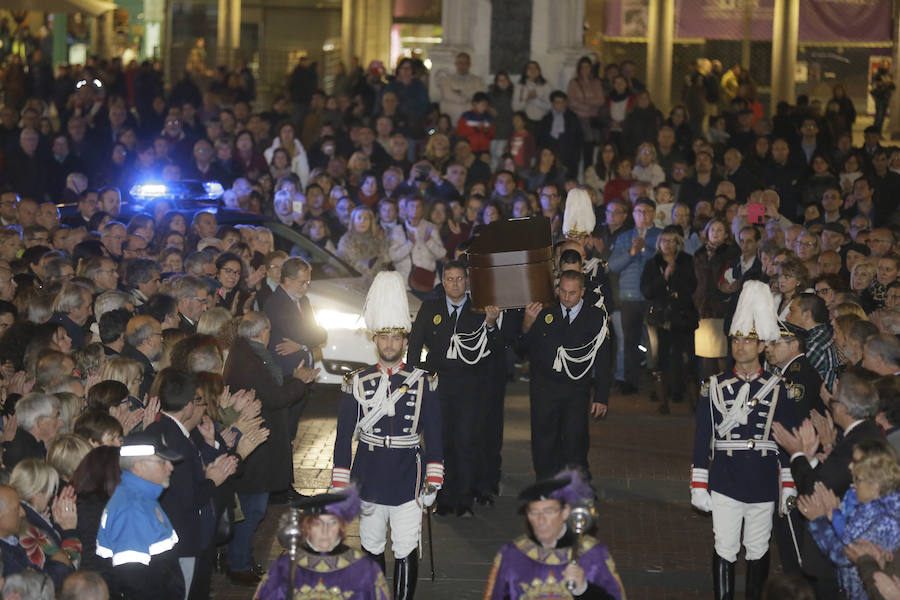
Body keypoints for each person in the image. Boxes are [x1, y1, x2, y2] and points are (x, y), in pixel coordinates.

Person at [331, 271, 443, 600]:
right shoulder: (357, 381)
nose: (389, 344)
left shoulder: (424, 380)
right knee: (372, 545)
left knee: (407, 546)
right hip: (368, 474)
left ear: (406, 341)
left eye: (395, 338)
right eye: (383, 337)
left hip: (409, 475)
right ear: (375, 340)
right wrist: (341, 483)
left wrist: (434, 477)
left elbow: (434, 435)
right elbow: (342, 439)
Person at [690, 282, 799, 600]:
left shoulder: (779, 388)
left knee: (758, 547)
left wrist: (787, 484)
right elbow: (702, 437)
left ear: (763, 346)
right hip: (726, 476)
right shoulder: (714, 386)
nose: (740, 347)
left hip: (763, 479)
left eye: (748, 340)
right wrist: (699, 482)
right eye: (736, 339)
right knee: (724, 546)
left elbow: (785, 441)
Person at [407, 261, 500, 517]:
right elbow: (414, 347)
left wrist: (491, 324)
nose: (455, 283)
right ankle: (443, 498)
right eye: (450, 279)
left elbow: (496, 350)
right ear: (443, 282)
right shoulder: (430, 308)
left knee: (466, 442)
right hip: (438, 386)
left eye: (460, 279)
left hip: (470, 387)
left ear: (467, 281)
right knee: (440, 442)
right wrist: (415, 380)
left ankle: (464, 499)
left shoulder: (481, 309)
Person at [144, 367, 238, 599]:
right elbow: (188, 499)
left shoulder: (158, 429)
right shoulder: (178, 443)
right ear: (187, 406)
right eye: (198, 401)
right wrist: (212, 480)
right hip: (183, 539)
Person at [518, 270, 611, 480]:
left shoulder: (595, 317)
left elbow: (603, 360)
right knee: (544, 440)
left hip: (576, 390)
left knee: (575, 439)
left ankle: (577, 485)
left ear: (582, 292)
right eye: (563, 291)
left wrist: (601, 396)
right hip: (544, 388)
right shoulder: (543, 311)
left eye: (572, 293)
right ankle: (546, 483)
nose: (566, 297)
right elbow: (522, 349)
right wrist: (527, 323)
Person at [484, 470, 625, 599]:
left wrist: (584, 589)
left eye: (549, 511)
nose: (541, 520)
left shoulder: (592, 554)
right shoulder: (513, 554)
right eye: (534, 513)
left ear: (565, 512)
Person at [252, 488, 391, 600]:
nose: (325, 530)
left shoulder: (363, 569)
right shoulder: (284, 569)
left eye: (332, 523)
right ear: (306, 528)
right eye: (317, 523)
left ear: (341, 528)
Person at [95, 431, 185, 600]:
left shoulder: (142, 498)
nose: (170, 467)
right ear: (139, 466)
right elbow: (132, 580)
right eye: (162, 461)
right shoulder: (132, 510)